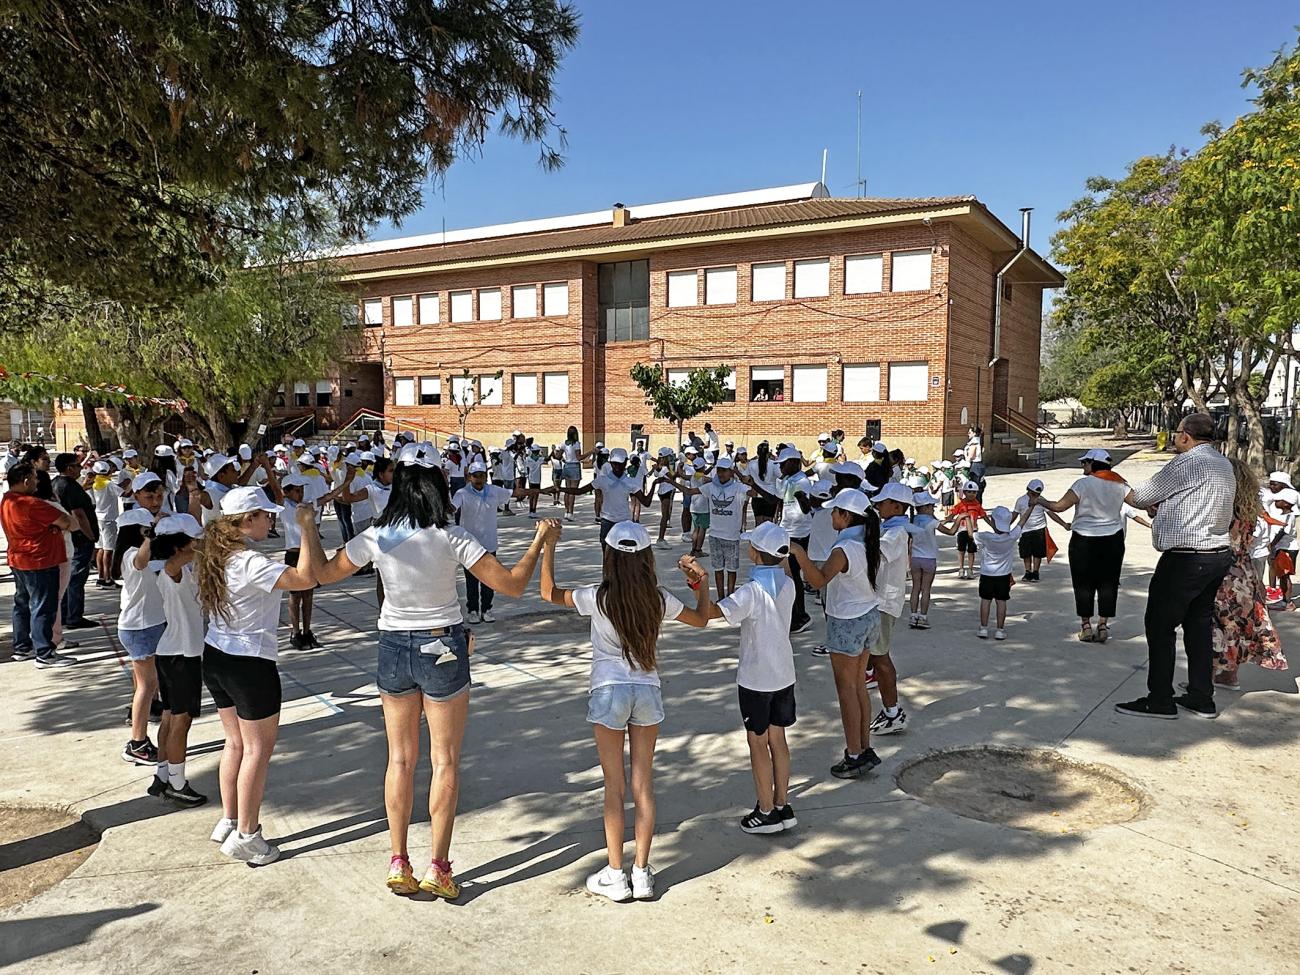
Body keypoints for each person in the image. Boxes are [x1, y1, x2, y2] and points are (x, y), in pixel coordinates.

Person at [313, 443, 555, 897]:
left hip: (393, 646)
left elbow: (322, 575)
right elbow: (513, 586)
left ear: (399, 483)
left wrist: (309, 527)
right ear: (440, 483)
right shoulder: (451, 536)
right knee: (444, 760)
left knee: (399, 759)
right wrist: (540, 541)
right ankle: (438, 866)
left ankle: (398, 859)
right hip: (442, 644)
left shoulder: (377, 536)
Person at [540, 519, 711, 902]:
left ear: (609, 556)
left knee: (613, 786)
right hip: (647, 690)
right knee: (643, 784)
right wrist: (701, 583)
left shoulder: (597, 596)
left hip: (608, 691)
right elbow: (702, 620)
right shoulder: (659, 598)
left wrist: (548, 545)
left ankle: (615, 874)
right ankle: (642, 872)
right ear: (648, 557)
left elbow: (548, 592)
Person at [198, 487, 324, 865]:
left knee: (234, 743)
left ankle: (230, 818)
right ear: (247, 519)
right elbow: (306, 579)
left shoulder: (216, 554)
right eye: (265, 515)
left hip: (217, 654)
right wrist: (306, 528)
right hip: (249, 664)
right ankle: (248, 835)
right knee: (256, 749)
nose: (270, 520)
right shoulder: (251, 563)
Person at [677, 521, 799, 834]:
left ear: (755, 553)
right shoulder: (788, 584)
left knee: (757, 743)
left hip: (756, 680)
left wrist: (699, 582)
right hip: (784, 674)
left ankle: (766, 810)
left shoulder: (750, 592)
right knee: (778, 739)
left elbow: (713, 613)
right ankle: (782, 805)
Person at [1114, 413, 1236, 720]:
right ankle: (1201, 696)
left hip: (1186, 558)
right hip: (1215, 554)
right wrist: (1166, 507)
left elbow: (1141, 497)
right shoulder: (1223, 464)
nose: (1174, 438)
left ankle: (1160, 699)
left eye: (1177, 433)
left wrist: (1113, 481)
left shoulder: (1187, 462)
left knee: (1160, 626)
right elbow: (1194, 502)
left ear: (1186, 436)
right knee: (1197, 625)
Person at [787, 490, 883, 779]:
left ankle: (853, 753)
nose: (830, 516)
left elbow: (817, 581)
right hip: (867, 615)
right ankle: (863, 748)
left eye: (835, 512)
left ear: (847, 515)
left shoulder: (845, 549)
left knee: (847, 691)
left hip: (846, 621)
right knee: (857, 687)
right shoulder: (866, 540)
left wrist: (799, 554)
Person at [1202, 459, 1288, 692]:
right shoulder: (1250, 510)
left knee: (1214, 624)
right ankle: (1230, 677)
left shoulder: (1223, 507)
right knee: (1239, 624)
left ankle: (1205, 678)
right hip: (1245, 571)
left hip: (1223, 571)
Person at [1035, 449, 1129, 643]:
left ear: (1093, 464)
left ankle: (1086, 626)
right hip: (1112, 539)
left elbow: (1059, 506)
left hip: (1084, 539)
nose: (1083, 467)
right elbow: (1138, 501)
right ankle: (1103, 625)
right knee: (1109, 582)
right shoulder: (1120, 483)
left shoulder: (1082, 484)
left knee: (1083, 583)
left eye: (1085, 463)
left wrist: (1040, 501)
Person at [148, 513, 208, 806]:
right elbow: (172, 562)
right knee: (181, 720)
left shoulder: (182, 568)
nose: (199, 543)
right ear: (177, 545)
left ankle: (162, 774)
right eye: (192, 539)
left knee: (171, 716)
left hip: (173, 652)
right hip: (182, 654)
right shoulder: (171, 569)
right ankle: (177, 782)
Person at [452, 458, 545, 623]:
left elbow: (515, 493)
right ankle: (472, 610)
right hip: (469, 544)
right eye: (475, 476)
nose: (478, 479)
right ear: (469, 477)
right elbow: (452, 508)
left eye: (481, 476)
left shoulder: (493, 490)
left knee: (489, 578)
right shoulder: (462, 494)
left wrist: (539, 491)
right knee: (471, 580)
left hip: (489, 543)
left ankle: (487, 609)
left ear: (485, 477)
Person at [2, 462, 76, 668]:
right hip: (41, 560)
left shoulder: (8, 499)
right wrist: (54, 527)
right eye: (34, 477)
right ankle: (44, 652)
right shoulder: (33, 504)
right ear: (26, 480)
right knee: (43, 607)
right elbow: (68, 522)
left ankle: (22, 647)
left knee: (22, 605)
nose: (37, 482)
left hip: (19, 559)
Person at [114, 493, 168, 767]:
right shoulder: (131, 555)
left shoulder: (142, 554)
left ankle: (140, 739)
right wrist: (152, 534)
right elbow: (142, 560)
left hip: (149, 625)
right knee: (146, 688)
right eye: (147, 529)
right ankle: (137, 742)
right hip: (140, 628)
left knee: (147, 685)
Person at [658, 455, 750, 598]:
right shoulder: (710, 487)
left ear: (731, 472)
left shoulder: (738, 488)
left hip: (732, 536)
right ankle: (721, 598)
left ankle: (730, 597)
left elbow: (754, 493)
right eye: (719, 470)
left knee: (732, 570)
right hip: (715, 536)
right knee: (718, 569)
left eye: (725, 471)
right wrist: (671, 482)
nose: (721, 474)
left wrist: (746, 479)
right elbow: (689, 491)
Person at [868, 483, 915, 735]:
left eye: (883, 503)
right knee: (876, 656)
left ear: (897, 506)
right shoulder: (889, 528)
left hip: (884, 602)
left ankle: (893, 712)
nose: (878, 506)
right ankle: (890, 710)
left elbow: (876, 552)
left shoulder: (896, 534)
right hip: (879, 600)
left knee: (881, 657)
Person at [556, 447, 657, 546]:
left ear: (626, 462)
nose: (617, 467)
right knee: (607, 556)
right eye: (614, 464)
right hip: (607, 522)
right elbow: (580, 491)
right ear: (610, 463)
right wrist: (560, 489)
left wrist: (654, 485)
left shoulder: (630, 482)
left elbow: (646, 502)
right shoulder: (602, 480)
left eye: (620, 464)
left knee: (622, 556)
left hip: (624, 523)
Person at [51, 452, 98, 629]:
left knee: (67, 578)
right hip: (79, 539)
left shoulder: (56, 483)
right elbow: (78, 514)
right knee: (76, 578)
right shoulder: (69, 486)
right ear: (69, 468)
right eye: (78, 465)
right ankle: (74, 616)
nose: (80, 468)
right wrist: (89, 536)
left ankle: (64, 614)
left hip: (66, 538)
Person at [969, 505, 1029, 640]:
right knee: (1001, 602)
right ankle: (1000, 630)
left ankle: (983, 628)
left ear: (993, 521)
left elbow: (971, 534)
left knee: (985, 601)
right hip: (1003, 575)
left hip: (987, 574)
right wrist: (1030, 507)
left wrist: (968, 518)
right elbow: (1022, 521)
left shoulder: (985, 537)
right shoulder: (1011, 536)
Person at [907, 491, 958, 628]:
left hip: (916, 558)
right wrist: (958, 520)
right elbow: (951, 532)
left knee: (915, 588)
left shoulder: (913, 520)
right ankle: (923, 616)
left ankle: (913, 615)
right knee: (926, 589)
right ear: (926, 508)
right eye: (931, 507)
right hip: (929, 558)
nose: (933, 509)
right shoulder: (932, 522)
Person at [1014, 478, 1071, 582]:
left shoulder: (1042, 501)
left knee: (1037, 552)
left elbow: (1052, 514)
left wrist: (1063, 524)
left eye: (1037, 494)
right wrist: (1004, 526)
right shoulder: (1021, 501)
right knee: (1025, 553)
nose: (1035, 496)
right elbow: (1015, 514)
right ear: (1028, 490)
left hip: (1039, 529)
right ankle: (1027, 571)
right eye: (1033, 493)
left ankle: (1035, 572)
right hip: (1025, 530)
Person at [88, 459, 124, 588]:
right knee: (109, 550)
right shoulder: (109, 484)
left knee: (100, 549)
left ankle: (101, 577)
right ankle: (108, 578)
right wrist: (128, 484)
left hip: (98, 517)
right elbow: (124, 493)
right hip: (109, 519)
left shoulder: (93, 483)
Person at [949, 480, 990, 579]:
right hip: (962, 530)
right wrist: (946, 521)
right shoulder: (961, 504)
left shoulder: (977, 505)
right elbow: (953, 514)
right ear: (964, 492)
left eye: (974, 492)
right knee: (961, 550)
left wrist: (994, 527)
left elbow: (984, 516)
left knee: (971, 551)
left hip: (974, 531)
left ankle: (970, 569)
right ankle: (961, 569)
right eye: (969, 492)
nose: (971, 494)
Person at [745, 441, 780, 527]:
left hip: (757, 496)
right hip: (770, 496)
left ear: (757, 453)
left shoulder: (751, 464)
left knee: (758, 525)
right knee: (769, 525)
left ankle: (756, 540)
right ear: (768, 453)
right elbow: (781, 476)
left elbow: (745, 478)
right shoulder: (774, 464)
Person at [965, 426, 986, 500]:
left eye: (970, 432)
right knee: (978, 486)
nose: (968, 434)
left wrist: (966, 462)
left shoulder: (974, 442)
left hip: (975, 466)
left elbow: (971, 455)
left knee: (974, 486)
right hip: (979, 465)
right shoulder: (978, 440)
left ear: (974, 433)